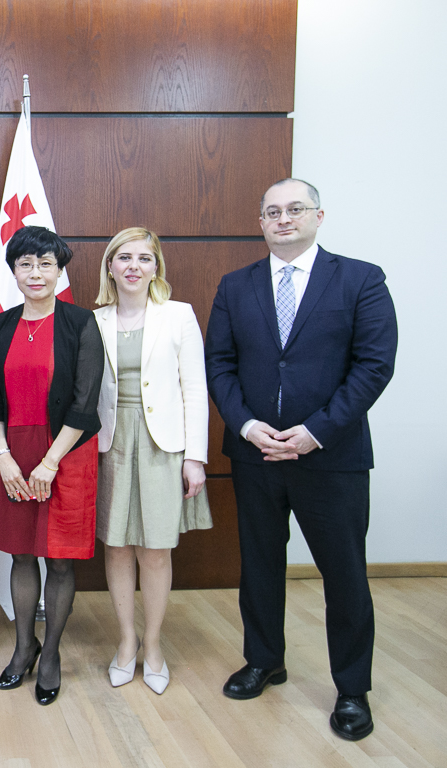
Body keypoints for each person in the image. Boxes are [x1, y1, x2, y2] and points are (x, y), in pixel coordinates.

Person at [205, 179, 397, 740]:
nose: (283, 218)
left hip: (331, 457)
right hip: (256, 454)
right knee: (259, 565)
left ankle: (352, 689)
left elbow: (374, 365)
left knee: (345, 575)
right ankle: (264, 660)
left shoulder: (361, 279)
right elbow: (219, 364)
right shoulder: (235, 285)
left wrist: (315, 432)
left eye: (295, 209)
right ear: (261, 223)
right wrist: (246, 425)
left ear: (318, 215)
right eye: (272, 212)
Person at [0, 226, 104, 705]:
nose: (36, 273)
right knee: (20, 554)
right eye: (26, 264)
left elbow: (85, 403)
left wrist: (50, 463)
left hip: (66, 454)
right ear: (13, 272)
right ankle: (23, 647)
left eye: (46, 264)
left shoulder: (80, 323)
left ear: (59, 271)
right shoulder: (1, 325)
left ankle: (50, 654)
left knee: (58, 558)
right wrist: (3, 458)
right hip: (13, 454)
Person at [92, 227, 212, 695]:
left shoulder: (178, 315)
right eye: (124, 258)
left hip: (164, 446)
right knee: (117, 546)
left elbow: (194, 389)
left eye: (144, 258)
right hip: (111, 444)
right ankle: (127, 641)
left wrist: (195, 457)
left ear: (156, 267)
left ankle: (155, 644)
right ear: (110, 266)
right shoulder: (93, 321)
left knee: (156, 550)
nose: (134, 266)